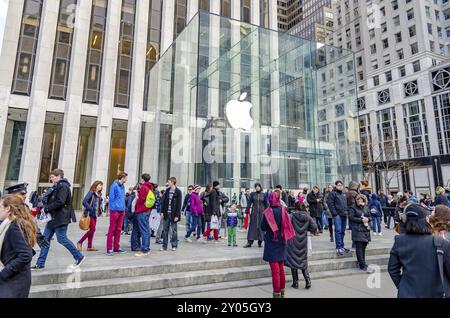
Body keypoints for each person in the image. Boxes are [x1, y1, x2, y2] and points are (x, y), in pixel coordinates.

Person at [388, 204, 450, 298]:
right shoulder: (441, 243)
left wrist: (402, 286)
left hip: (407, 293)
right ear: (425, 221)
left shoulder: (399, 240)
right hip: (435, 292)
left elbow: (392, 269)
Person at [33, 169, 85, 269]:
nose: (51, 179)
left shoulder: (63, 186)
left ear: (58, 176)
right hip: (53, 218)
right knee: (44, 240)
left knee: (61, 239)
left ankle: (79, 256)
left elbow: (60, 201)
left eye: (52, 177)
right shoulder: (57, 186)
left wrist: (47, 208)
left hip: (60, 218)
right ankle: (40, 263)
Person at [261, 191, 295, 298]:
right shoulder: (283, 210)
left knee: (275, 271)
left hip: (272, 242)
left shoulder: (268, 212)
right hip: (282, 241)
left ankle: (276, 293)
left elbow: (263, 227)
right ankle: (282, 292)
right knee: (281, 269)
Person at [0, 195, 36, 298]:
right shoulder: (8, 224)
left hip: (15, 281)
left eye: (0, 207)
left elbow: (26, 255)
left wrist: (5, 273)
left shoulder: (15, 226)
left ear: (8, 209)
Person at [5, 183, 49, 249]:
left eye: (25, 194)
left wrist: (38, 236)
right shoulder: (5, 207)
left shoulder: (25, 207)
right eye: (22, 194)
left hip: (21, 242)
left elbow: (31, 222)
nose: (25, 196)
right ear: (12, 195)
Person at [285, 201, 317, 289]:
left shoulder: (292, 216)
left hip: (293, 241)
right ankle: (308, 280)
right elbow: (314, 227)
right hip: (303, 242)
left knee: (293, 261)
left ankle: (295, 282)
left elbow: (285, 224)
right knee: (303, 261)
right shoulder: (307, 216)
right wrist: (307, 229)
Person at [348, 195, 374, 273]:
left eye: (361, 199)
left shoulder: (366, 207)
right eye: (358, 199)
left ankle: (362, 263)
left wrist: (367, 219)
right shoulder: (353, 208)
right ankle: (362, 265)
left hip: (365, 230)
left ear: (364, 200)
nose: (360, 201)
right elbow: (351, 217)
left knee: (363, 247)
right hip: (357, 229)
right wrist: (361, 220)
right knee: (359, 248)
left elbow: (370, 217)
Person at [77, 181, 103, 252]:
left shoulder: (99, 194)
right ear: (96, 185)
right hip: (90, 214)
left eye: (102, 185)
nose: (101, 186)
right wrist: (90, 209)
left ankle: (89, 246)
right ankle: (80, 242)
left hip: (95, 215)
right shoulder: (91, 192)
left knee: (92, 230)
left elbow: (98, 205)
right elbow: (84, 201)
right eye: (100, 185)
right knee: (92, 229)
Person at [106, 172, 128, 256]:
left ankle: (116, 247)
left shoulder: (123, 186)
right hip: (115, 210)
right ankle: (109, 248)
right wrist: (111, 209)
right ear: (122, 178)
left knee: (118, 229)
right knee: (112, 229)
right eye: (126, 178)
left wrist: (123, 208)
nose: (126, 179)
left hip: (122, 210)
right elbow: (111, 198)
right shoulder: (114, 186)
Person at [133, 174, 154, 257]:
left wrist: (137, 197)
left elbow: (141, 199)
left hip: (142, 210)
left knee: (144, 230)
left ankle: (144, 249)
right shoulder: (150, 187)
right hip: (147, 210)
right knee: (146, 229)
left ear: (142, 179)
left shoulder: (143, 187)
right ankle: (147, 248)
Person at [327, 181, 350, 256]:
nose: (340, 186)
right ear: (336, 186)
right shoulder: (333, 193)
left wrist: (347, 211)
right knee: (338, 230)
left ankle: (342, 246)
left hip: (344, 214)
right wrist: (335, 214)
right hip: (337, 215)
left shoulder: (343, 194)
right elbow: (330, 204)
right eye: (339, 185)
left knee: (342, 231)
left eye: (341, 185)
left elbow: (346, 204)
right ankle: (338, 247)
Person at [160, 177, 182, 251]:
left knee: (174, 230)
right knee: (165, 230)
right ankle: (164, 246)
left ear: (172, 182)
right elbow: (163, 202)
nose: (167, 183)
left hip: (173, 214)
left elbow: (179, 205)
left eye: (169, 182)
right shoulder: (167, 190)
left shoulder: (178, 192)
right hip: (166, 213)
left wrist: (177, 216)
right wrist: (162, 212)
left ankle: (174, 245)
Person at [244, 183, 268, 248]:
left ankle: (260, 241)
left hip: (261, 214)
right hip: (254, 213)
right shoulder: (252, 194)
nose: (257, 187)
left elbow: (267, 205)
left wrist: (268, 213)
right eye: (256, 186)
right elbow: (249, 203)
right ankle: (249, 242)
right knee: (252, 227)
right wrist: (246, 212)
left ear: (260, 187)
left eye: (258, 186)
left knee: (261, 227)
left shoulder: (263, 195)